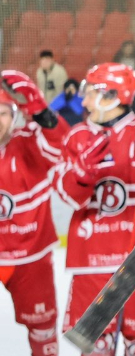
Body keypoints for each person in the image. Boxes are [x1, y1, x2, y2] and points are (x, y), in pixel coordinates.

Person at [55, 63, 135, 356]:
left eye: (90, 92)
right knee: (96, 348)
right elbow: (69, 198)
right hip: (91, 262)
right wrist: (82, 177)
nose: (83, 100)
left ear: (111, 94)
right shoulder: (76, 136)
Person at [0, 70, 69, 356]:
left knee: (42, 329)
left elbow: (62, 144)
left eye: (2, 113)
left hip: (30, 256)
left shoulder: (29, 139)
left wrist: (41, 111)